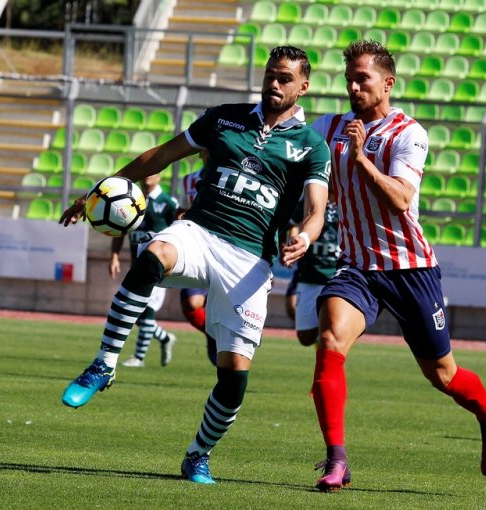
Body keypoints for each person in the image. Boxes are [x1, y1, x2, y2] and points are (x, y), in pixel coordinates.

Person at [58, 46, 331, 485]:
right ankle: (104, 365)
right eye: (269, 75)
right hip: (200, 231)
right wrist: (94, 194)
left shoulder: (311, 146)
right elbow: (159, 157)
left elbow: (316, 208)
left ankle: (197, 455)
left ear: (303, 85)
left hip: (249, 260)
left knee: (234, 378)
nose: (274, 84)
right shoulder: (224, 118)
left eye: (284, 78)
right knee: (151, 258)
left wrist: (305, 235)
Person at [308, 40, 486, 492]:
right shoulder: (330, 126)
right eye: (349, 79)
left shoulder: (408, 132)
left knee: (444, 376)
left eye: (363, 79)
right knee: (329, 339)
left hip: (410, 269)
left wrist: (360, 161)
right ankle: (336, 460)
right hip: (357, 267)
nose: (354, 87)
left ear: (387, 83)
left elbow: (400, 198)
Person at [111, 173, 179, 368]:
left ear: (160, 176)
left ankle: (138, 358)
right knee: (135, 314)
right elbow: (121, 229)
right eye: (147, 170)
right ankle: (165, 338)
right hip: (136, 267)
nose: (148, 174)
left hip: (156, 269)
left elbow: (181, 227)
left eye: (154, 171)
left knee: (146, 312)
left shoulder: (168, 203)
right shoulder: (131, 201)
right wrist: (114, 254)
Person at [176, 159, 218, 366]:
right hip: (195, 248)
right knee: (191, 304)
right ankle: (212, 334)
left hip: (224, 250)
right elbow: (182, 209)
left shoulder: (230, 174)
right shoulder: (188, 180)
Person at [289, 193, 340, 346]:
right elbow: (294, 224)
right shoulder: (312, 197)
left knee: (332, 332)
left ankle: (327, 358)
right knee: (305, 337)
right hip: (310, 272)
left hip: (337, 275)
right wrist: (293, 241)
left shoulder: (350, 196)